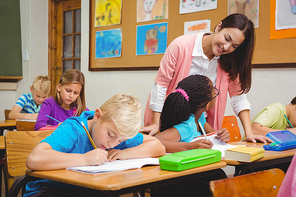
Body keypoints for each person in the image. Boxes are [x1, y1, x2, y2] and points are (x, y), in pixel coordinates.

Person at [142, 13, 271, 143]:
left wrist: (249, 133)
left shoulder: (230, 60)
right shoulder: (180, 46)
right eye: (227, 38)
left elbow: (238, 97)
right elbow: (161, 85)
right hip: (167, 120)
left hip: (201, 127)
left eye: (234, 46)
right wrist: (155, 122)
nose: (226, 47)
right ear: (219, 27)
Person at [25, 94, 166, 197]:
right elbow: (34, 159)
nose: (113, 143)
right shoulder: (74, 129)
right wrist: (85, 159)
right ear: (97, 116)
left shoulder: (119, 132)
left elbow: (158, 146)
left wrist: (124, 153)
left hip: (88, 190)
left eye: (120, 141)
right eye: (111, 135)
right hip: (49, 191)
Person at [155, 75, 230, 153]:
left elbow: (212, 136)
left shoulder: (199, 118)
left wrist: (222, 136)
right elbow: (155, 141)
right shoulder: (187, 126)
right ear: (207, 105)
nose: (215, 94)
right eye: (214, 93)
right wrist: (189, 147)